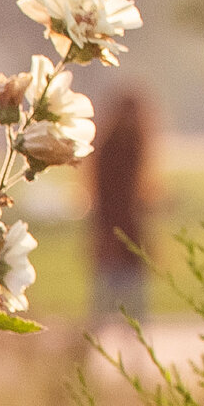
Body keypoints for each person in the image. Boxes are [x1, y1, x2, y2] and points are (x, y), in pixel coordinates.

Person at [90, 87, 153, 321]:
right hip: (114, 233)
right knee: (109, 303)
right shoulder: (111, 151)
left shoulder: (134, 147)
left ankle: (132, 351)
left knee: (131, 303)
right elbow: (106, 199)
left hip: (130, 235)